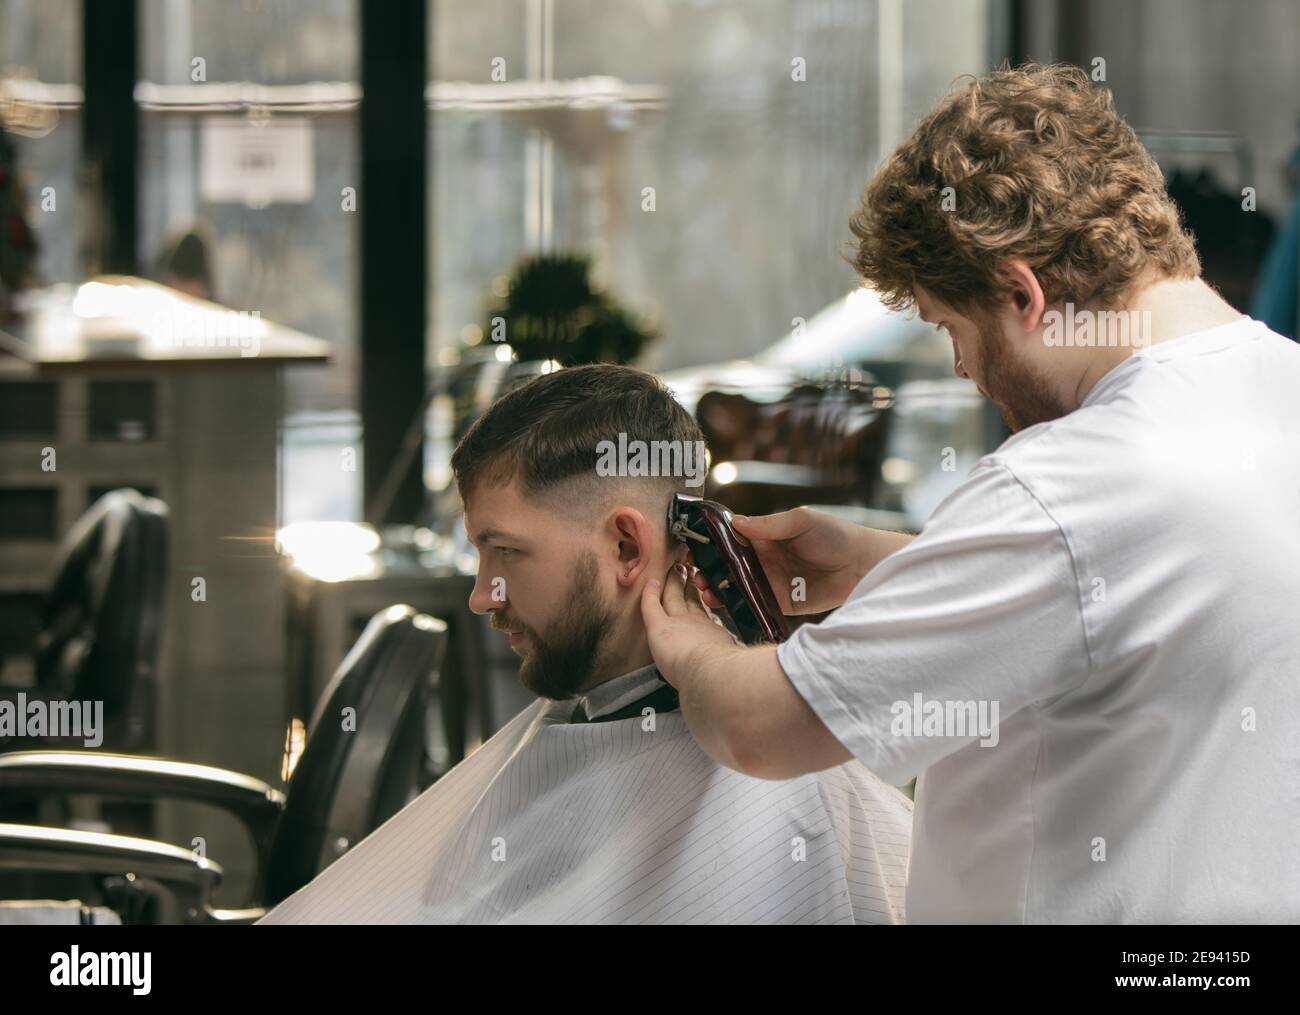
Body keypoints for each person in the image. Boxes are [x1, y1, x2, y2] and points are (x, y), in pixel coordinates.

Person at [642, 63, 1300, 923]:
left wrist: (681, 632)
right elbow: (1160, 602)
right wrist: (891, 565)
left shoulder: (1067, 485)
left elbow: (763, 727)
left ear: (1024, 295)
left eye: (955, 330)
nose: (960, 366)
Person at [258, 365, 911, 925]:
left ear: (627, 547)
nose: (482, 595)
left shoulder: (782, 804)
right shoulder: (583, 720)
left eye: (506, 551)